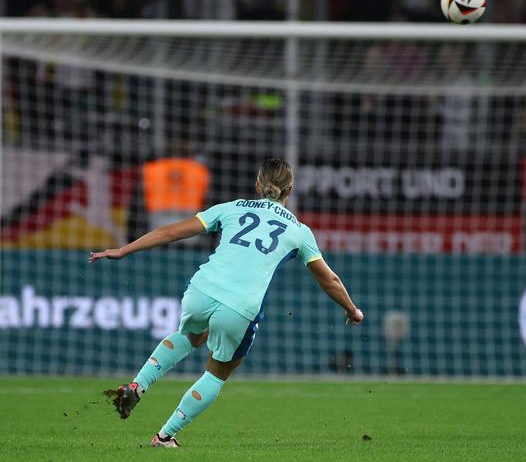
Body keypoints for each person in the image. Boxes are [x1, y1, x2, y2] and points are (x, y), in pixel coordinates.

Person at [89, 158, 364, 447]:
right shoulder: (299, 231)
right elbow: (328, 280)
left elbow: (170, 232)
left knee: (191, 336)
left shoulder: (231, 208)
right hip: (240, 306)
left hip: (201, 289)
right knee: (217, 372)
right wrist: (351, 309)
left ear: (257, 185)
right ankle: (164, 436)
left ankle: (136, 385)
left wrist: (124, 249)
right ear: (290, 190)